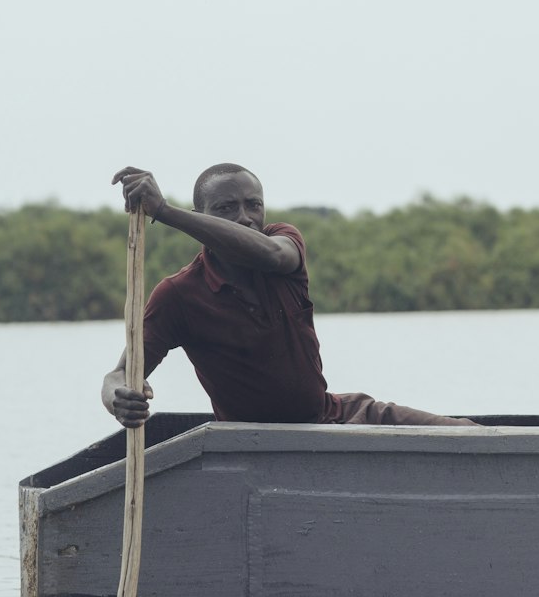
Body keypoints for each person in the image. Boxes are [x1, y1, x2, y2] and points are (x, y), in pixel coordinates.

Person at [101, 163, 473, 428]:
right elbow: (119, 375)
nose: (245, 217)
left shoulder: (283, 243)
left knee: (469, 436)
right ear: (203, 218)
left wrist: (165, 211)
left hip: (337, 416)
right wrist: (120, 400)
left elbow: (268, 255)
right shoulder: (179, 294)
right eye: (226, 209)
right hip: (254, 445)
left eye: (253, 205)